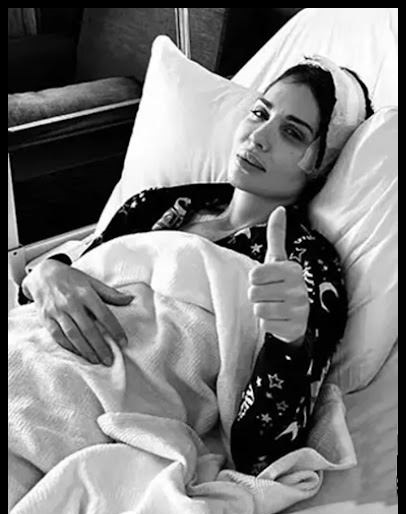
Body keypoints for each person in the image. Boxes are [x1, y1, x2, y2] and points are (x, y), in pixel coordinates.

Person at [20, 55, 373, 475]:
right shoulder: (161, 204)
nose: (259, 136)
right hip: (28, 347)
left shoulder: (307, 263)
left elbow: (262, 451)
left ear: (320, 165)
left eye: (292, 133)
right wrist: (47, 273)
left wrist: (289, 342)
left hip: (78, 404)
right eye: (260, 113)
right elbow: (82, 267)